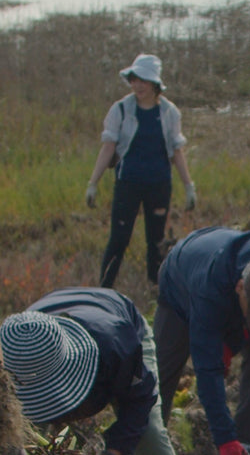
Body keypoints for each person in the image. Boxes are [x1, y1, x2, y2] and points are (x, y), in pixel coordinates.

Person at [0, 287, 183, 455]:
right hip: (50, 320)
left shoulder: (117, 347)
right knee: (27, 444)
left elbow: (141, 400)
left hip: (111, 316)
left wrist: (113, 454)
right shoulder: (14, 357)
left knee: (151, 432)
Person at [153, 227, 250, 455]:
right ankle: (145, 448)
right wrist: (224, 439)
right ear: (240, 287)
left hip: (231, 280)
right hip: (180, 280)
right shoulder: (208, 291)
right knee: (163, 368)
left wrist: (233, 342)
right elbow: (208, 370)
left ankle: (249, 439)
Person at [84, 53, 197, 287]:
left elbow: (177, 151)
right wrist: (92, 183)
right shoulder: (121, 110)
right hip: (128, 184)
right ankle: (104, 289)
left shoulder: (168, 112)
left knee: (156, 240)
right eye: (134, 80)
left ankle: (156, 289)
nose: (138, 85)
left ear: (155, 84)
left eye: (143, 81)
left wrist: (189, 187)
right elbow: (108, 148)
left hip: (159, 184)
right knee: (119, 239)